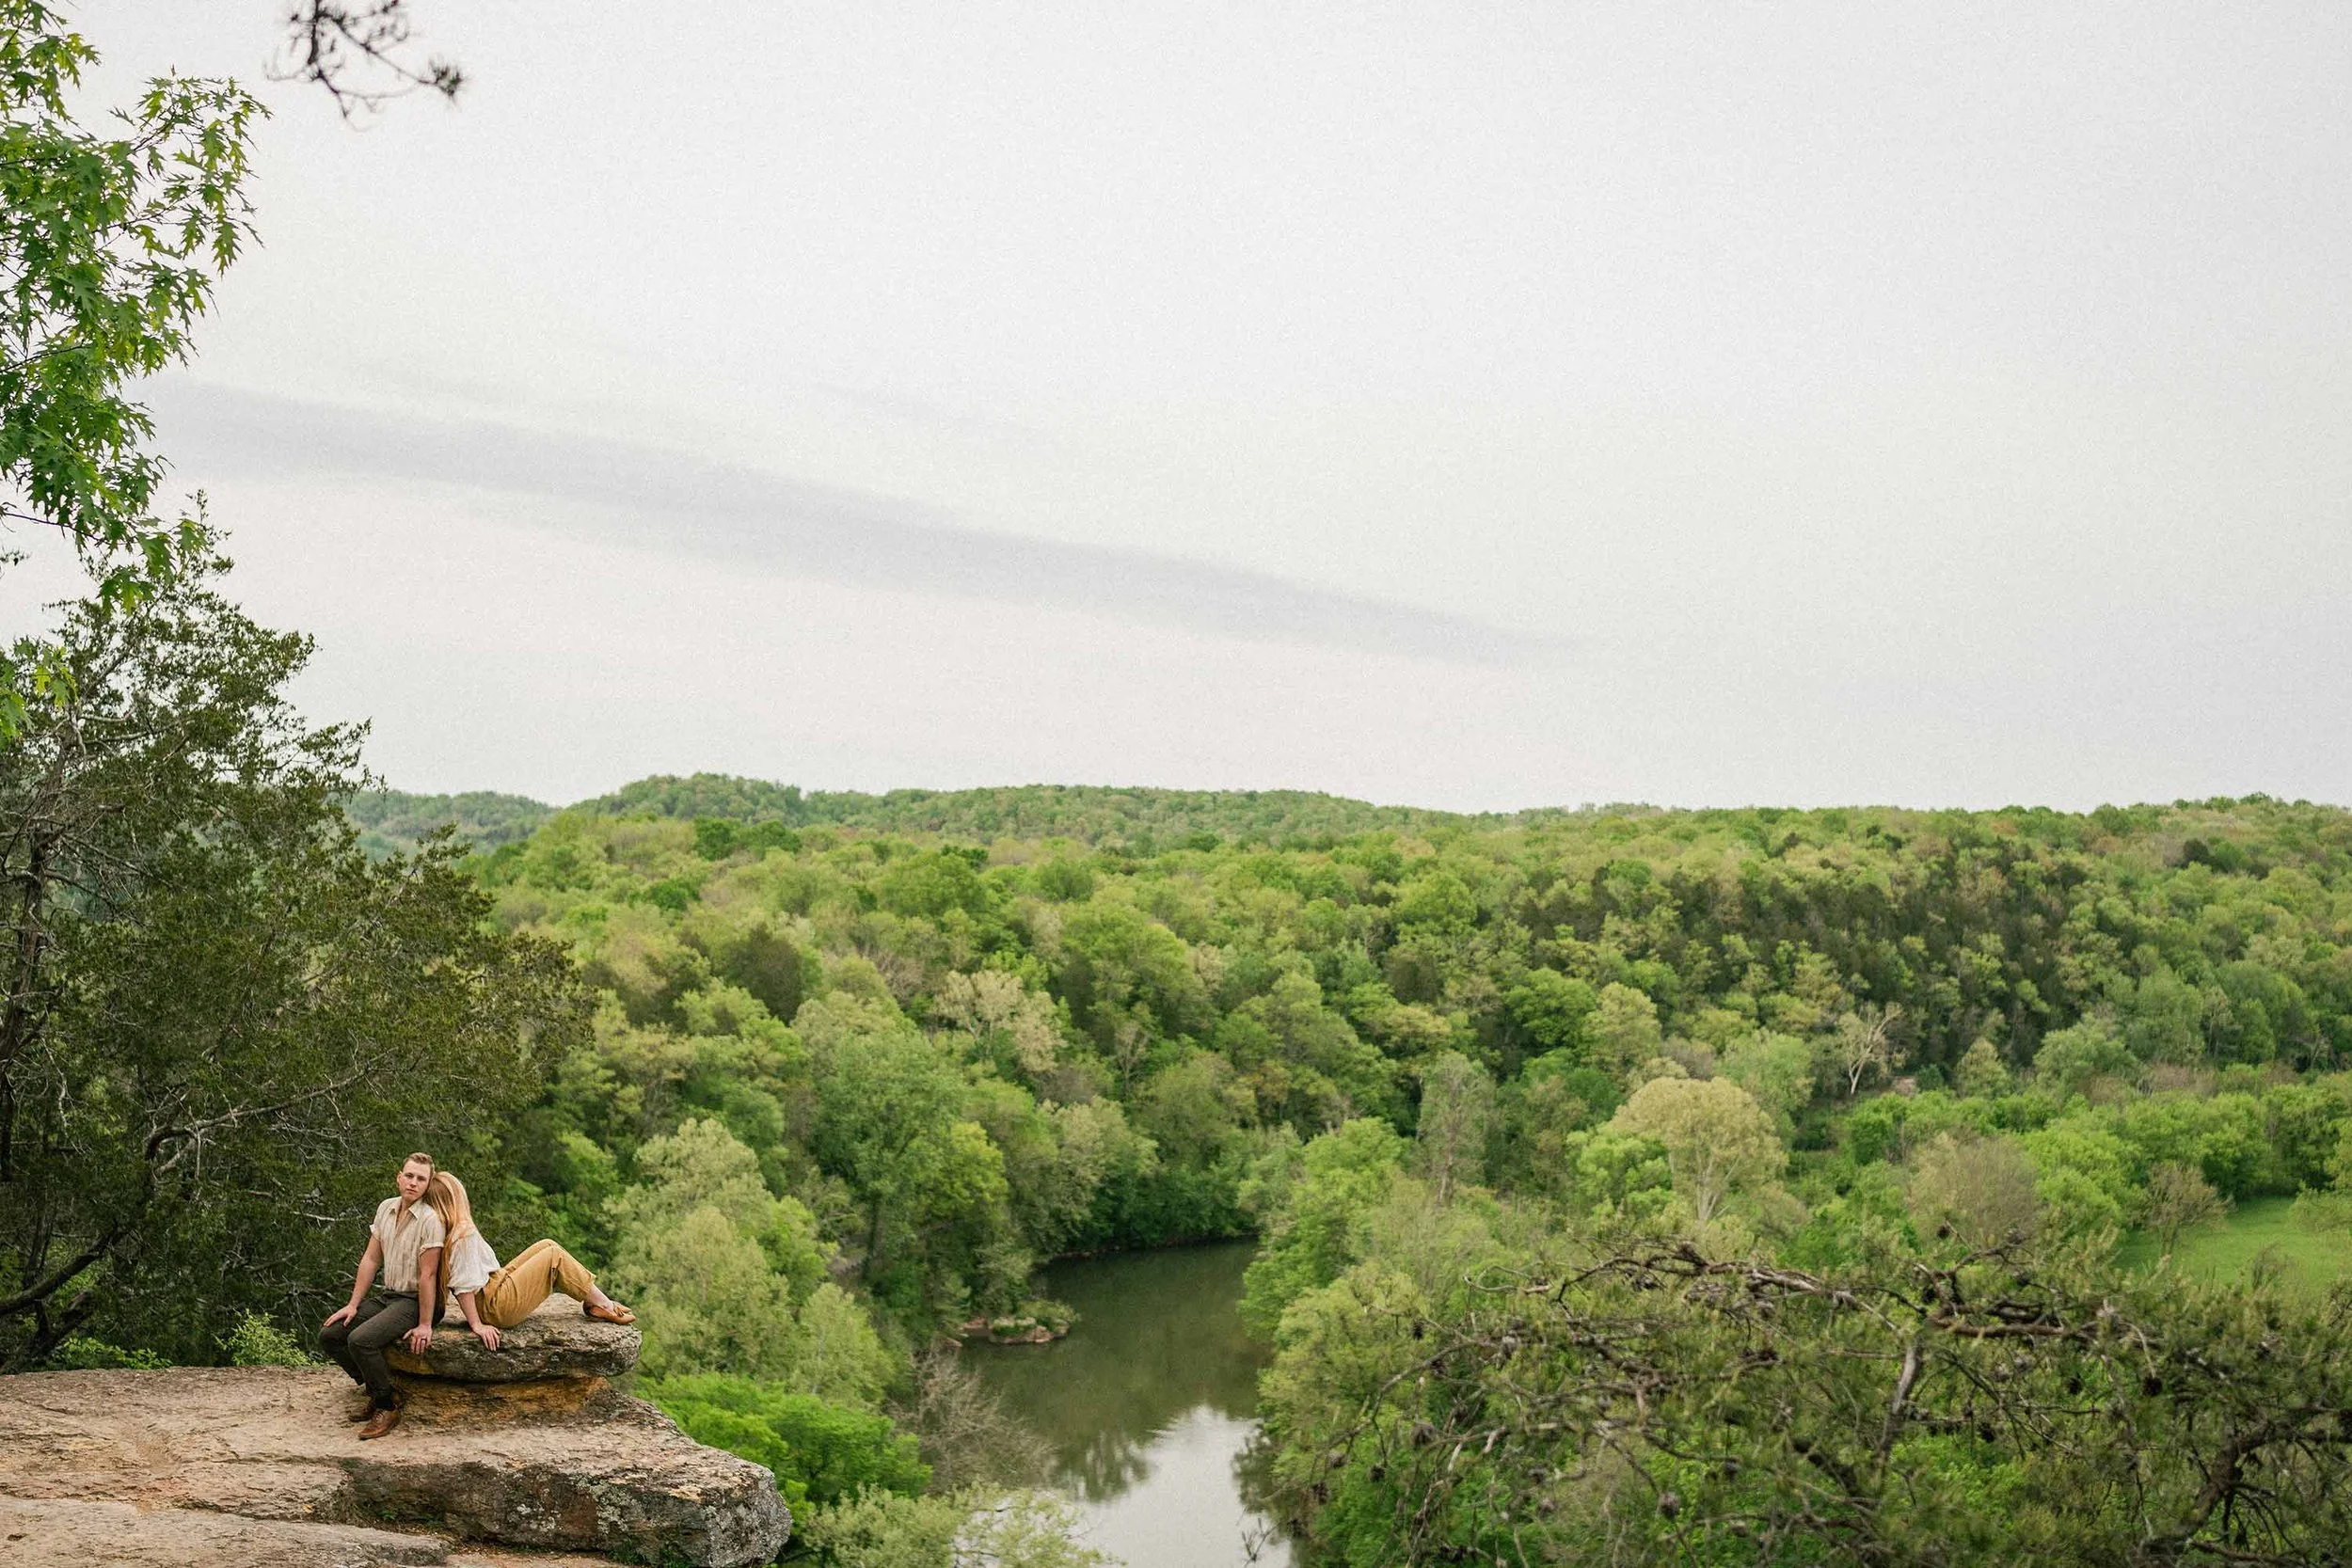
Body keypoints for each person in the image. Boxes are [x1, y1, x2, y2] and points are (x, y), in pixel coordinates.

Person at [424, 1170, 634, 1348]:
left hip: (494, 1284)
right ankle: (604, 1305)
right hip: (494, 1305)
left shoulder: (447, 1231)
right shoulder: (462, 1235)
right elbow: (463, 1287)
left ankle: (593, 1300)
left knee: (547, 1245)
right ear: (453, 1201)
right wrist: (477, 1325)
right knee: (554, 1257)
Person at [320, 1151, 445, 1439]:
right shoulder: (386, 1208)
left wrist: (425, 1324)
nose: (413, 1183)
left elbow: (428, 1275)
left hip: (417, 1301)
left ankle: (387, 1405)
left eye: (421, 1179)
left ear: (429, 1184)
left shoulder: (431, 1220)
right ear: (399, 1178)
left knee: (361, 1340)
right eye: (409, 1176)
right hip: (390, 1296)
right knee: (331, 1335)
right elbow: (371, 1260)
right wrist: (353, 1305)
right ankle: (378, 1392)